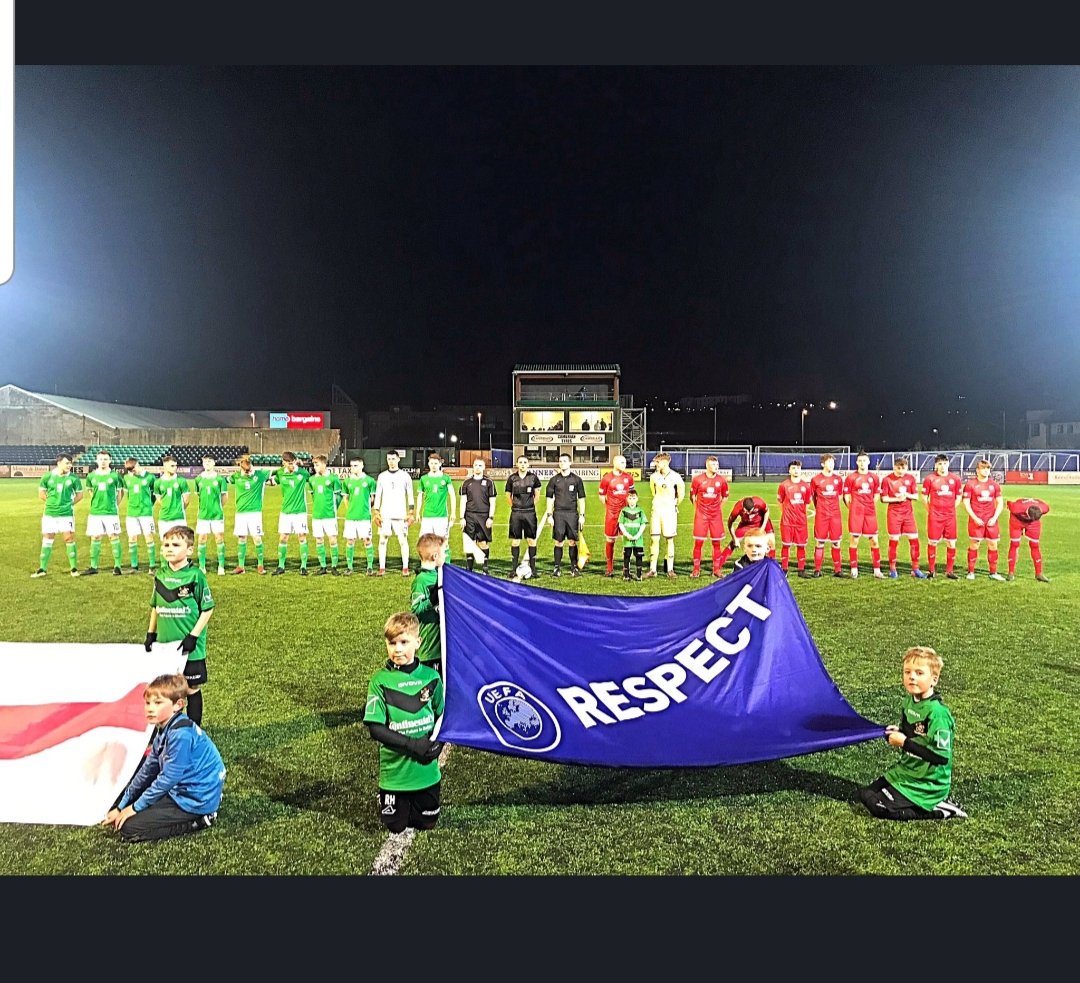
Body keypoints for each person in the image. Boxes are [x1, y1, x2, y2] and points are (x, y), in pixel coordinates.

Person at [101, 673, 226, 843]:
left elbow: (168, 779)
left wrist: (134, 808)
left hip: (196, 799)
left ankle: (200, 820)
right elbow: (148, 769)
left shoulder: (180, 735)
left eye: (158, 703)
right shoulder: (165, 728)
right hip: (183, 789)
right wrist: (122, 805)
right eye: (148, 703)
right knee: (121, 798)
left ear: (178, 705)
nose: (150, 708)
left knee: (129, 828)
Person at [857, 646, 966, 821]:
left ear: (934, 680)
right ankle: (912, 798)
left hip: (927, 783)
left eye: (919, 673)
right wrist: (898, 732)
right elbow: (914, 734)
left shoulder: (938, 714)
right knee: (866, 794)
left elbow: (941, 757)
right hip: (906, 772)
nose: (912, 677)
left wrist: (904, 743)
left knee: (880, 808)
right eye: (907, 672)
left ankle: (941, 809)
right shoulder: (909, 701)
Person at [363, 612, 445, 834]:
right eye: (392, 643)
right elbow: (375, 728)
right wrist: (412, 744)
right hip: (395, 774)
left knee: (427, 824)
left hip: (426, 771)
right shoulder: (380, 681)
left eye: (404, 642)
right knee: (395, 826)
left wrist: (439, 743)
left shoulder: (432, 678)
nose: (397, 649)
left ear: (418, 643)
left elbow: (442, 715)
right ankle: (388, 796)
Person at [143, 525, 215, 727]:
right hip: (166, 645)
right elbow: (156, 606)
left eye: (176, 544)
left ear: (189, 550)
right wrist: (151, 633)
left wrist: (193, 636)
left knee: (191, 688)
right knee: (169, 690)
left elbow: (207, 608)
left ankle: (194, 731)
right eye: (166, 544)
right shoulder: (160, 575)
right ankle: (168, 730)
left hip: (189, 647)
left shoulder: (195, 576)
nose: (169, 548)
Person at [31, 452, 83, 578]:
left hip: (66, 514)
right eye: (67, 463)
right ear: (59, 463)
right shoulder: (47, 477)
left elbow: (79, 495)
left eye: (70, 463)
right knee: (48, 538)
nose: (69, 465)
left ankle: (74, 568)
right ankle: (42, 568)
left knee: (69, 538)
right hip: (50, 514)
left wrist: (69, 504)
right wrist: (51, 503)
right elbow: (42, 493)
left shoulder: (74, 478)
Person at [879, 457, 926, 579]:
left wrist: (907, 495)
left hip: (908, 514)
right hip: (894, 514)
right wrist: (897, 499)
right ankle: (893, 569)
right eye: (899, 468)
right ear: (894, 467)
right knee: (894, 540)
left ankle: (915, 569)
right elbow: (884, 499)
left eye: (903, 468)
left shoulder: (910, 478)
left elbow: (916, 496)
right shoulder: (887, 480)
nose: (901, 470)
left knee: (914, 540)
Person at [543, 453, 587, 578]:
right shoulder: (554, 480)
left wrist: (582, 515)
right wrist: (549, 515)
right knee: (559, 541)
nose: (562, 463)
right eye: (560, 461)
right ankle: (557, 567)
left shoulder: (577, 480)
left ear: (570, 462)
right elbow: (549, 498)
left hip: (572, 514)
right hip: (558, 514)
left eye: (565, 461)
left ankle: (574, 567)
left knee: (572, 542)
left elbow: (582, 498)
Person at [83, 449, 125, 576]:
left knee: (114, 536)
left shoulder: (115, 476)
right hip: (95, 513)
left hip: (111, 513)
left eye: (105, 459)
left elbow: (120, 493)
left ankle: (117, 566)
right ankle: (93, 566)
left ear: (110, 461)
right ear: (96, 460)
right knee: (95, 537)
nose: (103, 461)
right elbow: (90, 491)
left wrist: (114, 505)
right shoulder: (91, 476)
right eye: (101, 459)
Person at [962, 459, 1005, 581]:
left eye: (988, 469)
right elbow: (966, 503)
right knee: (975, 544)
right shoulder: (970, 484)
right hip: (976, 520)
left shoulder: (995, 485)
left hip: (991, 520)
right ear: (977, 470)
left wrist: (994, 517)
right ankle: (971, 572)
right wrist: (974, 517)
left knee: (993, 544)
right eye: (983, 468)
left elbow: (1000, 503)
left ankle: (993, 573)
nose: (986, 471)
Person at [842, 452, 883, 579]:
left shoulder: (874, 477)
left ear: (868, 462)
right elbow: (846, 496)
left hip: (870, 513)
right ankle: (854, 569)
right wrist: (854, 508)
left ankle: (877, 570)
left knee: (874, 541)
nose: (862, 463)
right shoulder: (851, 477)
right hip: (856, 513)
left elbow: (876, 494)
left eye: (864, 460)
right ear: (857, 462)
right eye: (860, 460)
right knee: (854, 540)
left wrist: (869, 505)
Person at [921, 453, 963, 579]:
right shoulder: (930, 479)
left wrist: (952, 507)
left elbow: (959, 496)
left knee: (951, 543)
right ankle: (931, 571)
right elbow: (924, 497)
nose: (942, 466)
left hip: (950, 516)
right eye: (940, 464)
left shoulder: (955, 479)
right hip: (935, 516)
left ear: (948, 464)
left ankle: (949, 571)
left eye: (944, 463)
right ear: (936, 465)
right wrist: (931, 510)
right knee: (933, 542)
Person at [228, 453, 271, 575]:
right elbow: (225, 480)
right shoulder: (236, 476)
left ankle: (260, 565)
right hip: (240, 512)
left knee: (257, 538)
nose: (247, 472)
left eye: (249, 469)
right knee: (241, 538)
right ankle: (241, 566)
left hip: (254, 513)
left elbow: (276, 472)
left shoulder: (260, 475)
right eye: (245, 469)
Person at [373, 451, 414, 577]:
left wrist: (411, 511)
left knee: (402, 540)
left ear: (398, 460)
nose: (391, 461)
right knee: (382, 540)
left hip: (400, 514)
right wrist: (376, 511)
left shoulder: (405, 476)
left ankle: (405, 567)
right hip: (385, 514)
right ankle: (382, 567)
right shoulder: (382, 476)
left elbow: (410, 493)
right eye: (389, 459)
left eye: (393, 459)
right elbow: (378, 494)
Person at [410, 533, 446, 676]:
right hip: (431, 648)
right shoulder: (421, 580)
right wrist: (432, 598)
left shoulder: (442, 575)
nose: (446, 555)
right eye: (445, 552)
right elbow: (416, 609)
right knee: (432, 688)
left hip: (444, 644)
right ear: (435, 556)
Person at [271, 451, 312, 576]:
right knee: (283, 538)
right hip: (286, 511)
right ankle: (281, 566)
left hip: (300, 512)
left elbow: (314, 481)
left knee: (302, 537)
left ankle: (303, 566)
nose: (291, 465)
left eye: (293, 462)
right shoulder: (280, 473)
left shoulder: (303, 473)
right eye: (289, 463)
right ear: (283, 463)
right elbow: (272, 480)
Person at [645, 452, 685, 579]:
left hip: (669, 512)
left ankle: (670, 569)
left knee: (669, 539)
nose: (655, 464)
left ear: (665, 462)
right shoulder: (654, 477)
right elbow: (653, 492)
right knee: (654, 539)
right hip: (656, 510)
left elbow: (681, 494)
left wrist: (673, 504)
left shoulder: (675, 477)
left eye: (658, 462)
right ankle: (653, 569)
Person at [689, 455, 728, 578]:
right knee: (699, 542)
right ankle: (696, 569)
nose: (716, 467)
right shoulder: (698, 480)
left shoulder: (722, 480)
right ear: (707, 466)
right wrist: (699, 509)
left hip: (715, 516)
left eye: (717, 465)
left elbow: (725, 496)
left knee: (716, 543)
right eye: (713, 465)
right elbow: (692, 496)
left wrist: (718, 508)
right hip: (702, 516)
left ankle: (716, 569)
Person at [416, 453, 457, 566]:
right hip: (427, 516)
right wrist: (417, 512)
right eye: (431, 463)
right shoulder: (424, 479)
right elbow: (420, 496)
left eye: (436, 463)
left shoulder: (445, 478)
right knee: (424, 541)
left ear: (440, 464)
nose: (433, 465)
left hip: (441, 516)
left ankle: (446, 565)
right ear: (428, 463)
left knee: (443, 541)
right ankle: (425, 564)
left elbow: (452, 495)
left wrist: (453, 512)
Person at [715, 494, 775, 571]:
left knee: (771, 542)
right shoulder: (737, 508)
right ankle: (717, 567)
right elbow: (730, 524)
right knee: (732, 544)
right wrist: (734, 538)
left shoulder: (759, 502)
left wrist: (763, 528)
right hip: (746, 524)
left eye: (752, 510)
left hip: (761, 522)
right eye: (748, 511)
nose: (750, 513)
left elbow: (767, 511)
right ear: (743, 508)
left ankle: (771, 566)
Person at [505, 454, 543, 578]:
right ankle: (513, 568)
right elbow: (507, 496)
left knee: (531, 540)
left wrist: (529, 505)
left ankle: (533, 569)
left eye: (524, 462)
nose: (522, 464)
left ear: (528, 464)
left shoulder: (533, 478)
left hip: (530, 513)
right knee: (515, 541)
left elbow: (537, 495)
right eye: (520, 462)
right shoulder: (512, 479)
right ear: (517, 464)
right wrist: (515, 506)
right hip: (516, 513)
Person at [598, 454, 635, 577]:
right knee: (610, 539)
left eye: (625, 462)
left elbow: (632, 495)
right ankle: (609, 567)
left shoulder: (628, 478)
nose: (625, 465)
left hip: (625, 513)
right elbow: (602, 497)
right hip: (612, 514)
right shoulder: (607, 478)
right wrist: (610, 508)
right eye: (622, 462)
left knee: (628, 539)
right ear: (615, 463)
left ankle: (626, 567)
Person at [341, 456, 378, 576]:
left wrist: (366, 509)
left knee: (367, 540)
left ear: (362, 466)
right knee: (350, 541)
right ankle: (349, 567)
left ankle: (370, 567)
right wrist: (349, 510)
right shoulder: (347, 481)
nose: (353, 468)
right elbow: (345, 498)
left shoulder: (370, 481)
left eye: (356, 466)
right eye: (351, 466)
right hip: (351, 517)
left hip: (364, 517)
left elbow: (373, 499)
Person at [459, 458, 497, 573]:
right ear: (473, 467)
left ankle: (485, 566)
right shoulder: (466, 483)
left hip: (484, 516)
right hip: (469, 516)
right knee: (469, 542)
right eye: (475, 465)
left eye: (480, 465)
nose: (477, 467)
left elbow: (493, 501)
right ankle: (469, 567)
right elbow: (463, 501)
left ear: (484, 467)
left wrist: (491, 517)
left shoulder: (489, 482)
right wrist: (462, 517)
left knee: (483, 542)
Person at [193, 454, 229, 576]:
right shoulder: (198, 479)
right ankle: (202, 566)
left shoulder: (220, 479)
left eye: (209, 461)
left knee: (219, 538)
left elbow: (224, 498)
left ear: (214, 463)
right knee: (202, 539)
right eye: (205, 461)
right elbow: (199, 496)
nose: (207, 463)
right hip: (203, 515)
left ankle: (221, 566)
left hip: (217, 515)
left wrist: (216, 507)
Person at [809, 453, 844, 577]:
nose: (832, 465)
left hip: (835, 515)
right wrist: (821, 507)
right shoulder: (815, 480)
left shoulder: (838, 479)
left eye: (833, 463)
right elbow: (813, 497)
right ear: (823, 464)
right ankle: (817, 569)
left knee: (836, 542)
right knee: (820, 542)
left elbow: (839, 496)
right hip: (821, 515)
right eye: (829, 462)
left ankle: (838, 570)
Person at [308, 454, 343, 575]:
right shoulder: (312, 480)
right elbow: (313, 495)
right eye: (314, 465)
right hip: (317, 515)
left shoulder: (333, 479)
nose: (315, 467)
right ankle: (322, 566)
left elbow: (339, 496)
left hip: (329, 515)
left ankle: (334, 566)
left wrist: (334, 508)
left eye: (317, 464)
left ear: (324, 464)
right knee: (319, 540)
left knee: (332, 540)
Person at [776, 459, 810, 577]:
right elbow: (780, 502)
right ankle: (784, 568)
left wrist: (800, 514)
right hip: (787, 521)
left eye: (798, 468)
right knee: (786, 545)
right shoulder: (784, 485)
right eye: (794, 468)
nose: (796, 470)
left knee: (801, 545)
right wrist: (786, 513)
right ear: (789, 470)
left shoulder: (806, 486)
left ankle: (801, 569)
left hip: (801, 522)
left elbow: (807, 503)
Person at [122, 457, 157, 573]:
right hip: (131, 513)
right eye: (129, 470)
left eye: (132, 469)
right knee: (132, 538)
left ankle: (152, 566)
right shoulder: (127, 478)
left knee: (149, 537)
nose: (131, 472)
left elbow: (154, 495)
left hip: (146, 513)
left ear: (137, 465)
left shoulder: (150, 477)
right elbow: (128, 495)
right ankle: (134, 566)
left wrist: (149, 505)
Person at [1006, 497, 1051, 582]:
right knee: (1014, 544)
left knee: (1035, 545)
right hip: (1016, 521)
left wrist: (1033, 521)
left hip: (1033, 524)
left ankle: (1039, 574)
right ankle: (1011, 573)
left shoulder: (1044, 508)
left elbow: (1046, 507)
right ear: (1027, 513)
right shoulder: (1016, 508)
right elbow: (1009, 504)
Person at [154, 454, 191, 540]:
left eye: (176, 466)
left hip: (179, 518)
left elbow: (186, 500)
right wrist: (167, 507)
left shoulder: (181, 481)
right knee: (165, 543)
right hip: (164, 518)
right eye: (172, 466)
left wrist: (178, 509)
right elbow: (159, 499)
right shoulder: (158, 482)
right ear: (165, 466)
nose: (175, 468)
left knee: (181, 543)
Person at [618, 488, 647, 580]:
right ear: (627, 499)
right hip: (628, 538)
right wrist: (626, 534)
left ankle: (639, 575)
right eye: (630, 498)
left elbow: (643, 524)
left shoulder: (640, 511)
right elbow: (621, 524)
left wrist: (638, 535)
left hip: (638, 539)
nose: (632, 500)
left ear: (637, 499)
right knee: (627, 555)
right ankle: (626, 574)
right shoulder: (624, 511)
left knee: (639, 556)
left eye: (633, 498)